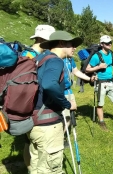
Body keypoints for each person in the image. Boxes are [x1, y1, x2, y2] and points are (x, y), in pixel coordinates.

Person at [27, 30, 81, 173]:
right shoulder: (55, 60)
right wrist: (67, 104)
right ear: (61, 43)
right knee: (51, 168)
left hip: (34, 120)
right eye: (71, 44)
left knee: (37, 164)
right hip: (47, 125)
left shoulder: (41, 58)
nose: (74, 48)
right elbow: (49, 85)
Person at [22, 24, 56, 173]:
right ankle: (32, 169)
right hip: (31, 107)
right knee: (32, 144)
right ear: (42, 39)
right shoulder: (30, 57)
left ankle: (31, 169)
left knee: (29, 142)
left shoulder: (25, 54)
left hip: (26, 106)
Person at [86, 35, 113, 131]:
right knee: (100, 105)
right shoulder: (96, 56)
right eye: (107, 43)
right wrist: (98, 67)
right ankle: (101, 122)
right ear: (102, 44)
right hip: (100, 83)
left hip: (111, 82)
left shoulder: (111, 53)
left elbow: (108, 65)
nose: (110, 44)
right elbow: (87, 69)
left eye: (110, 42)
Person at [62, 56, 95, 144]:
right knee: (59, 117)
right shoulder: (54, 57)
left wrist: (89, 79)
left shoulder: (69, 59)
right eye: (72, 45)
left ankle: (61, 136)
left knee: (68, 117)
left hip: (68, 91)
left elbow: (75, 71)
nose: (74, 48)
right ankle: (57, 138)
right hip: (58, 92)